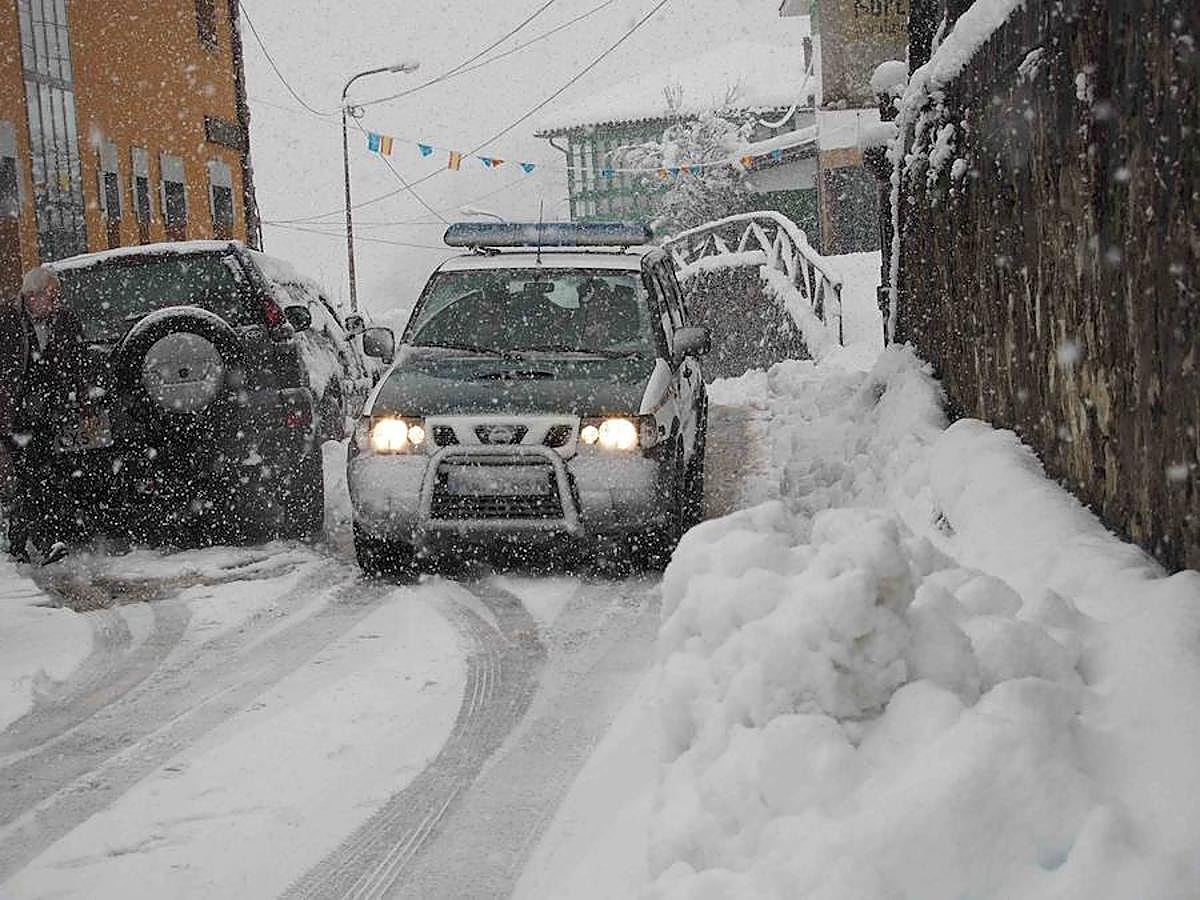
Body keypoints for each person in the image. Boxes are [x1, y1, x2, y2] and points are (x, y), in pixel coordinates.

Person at [0, 265, 87, 564]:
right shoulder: (8, 323)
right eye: (49, 295)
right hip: (16, 414)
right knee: (31, 476)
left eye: (55, 295)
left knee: (41, 475)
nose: (54, 301)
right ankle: (47, 539)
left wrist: (83, 402)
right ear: (30, 296)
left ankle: (19, 543)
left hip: (50, 412)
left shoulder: (65, 320)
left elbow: (78, 363)